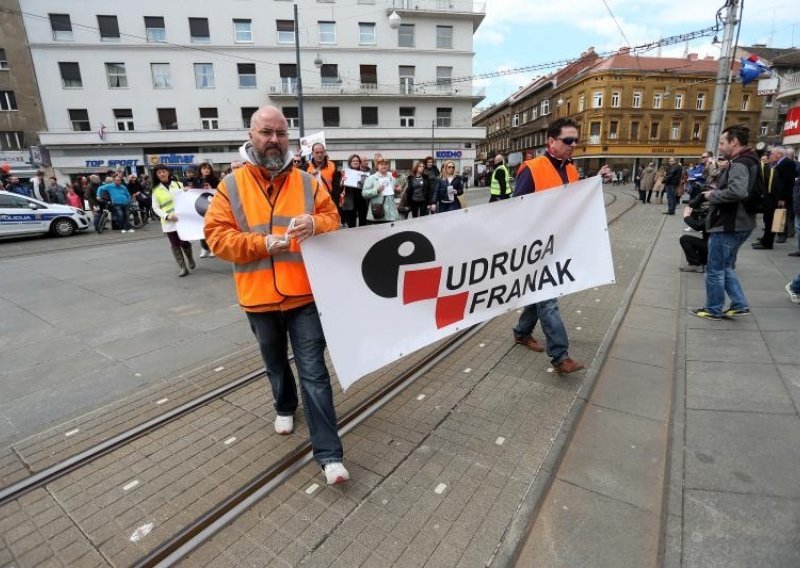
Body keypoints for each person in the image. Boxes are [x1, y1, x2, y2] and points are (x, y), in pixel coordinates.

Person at [204, 105, 348, 486]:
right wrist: (262, 244)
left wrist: (316, 223)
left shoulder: (307, 181)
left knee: (314, 373)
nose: (274, 140)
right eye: (266, 133)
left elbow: (334, 219)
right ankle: (284, 405)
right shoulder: (231, 185)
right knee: (274, 362)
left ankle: (330, 456)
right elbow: (216, 237)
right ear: (251, 135)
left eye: (281, 133)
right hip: (258, 298)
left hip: (302, 296)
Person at [511, 117, 587, 375]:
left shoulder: (572, 170)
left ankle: (521, 332)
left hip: (560, 243)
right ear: (551, 141)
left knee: (538, 297)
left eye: (576, 140)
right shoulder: (532, 168)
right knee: (548, 300)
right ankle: (560, 355)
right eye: (568, 140)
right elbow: (516, 209)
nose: (573, 144)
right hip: (535, 247)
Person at [689, 125, 757, 320]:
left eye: (722, 143)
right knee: (725, 266)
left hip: (729, 222)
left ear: (734, 142)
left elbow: (737, 191)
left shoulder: (739, 163)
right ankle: (739, 304)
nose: (719, 147)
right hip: (741, 222)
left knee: (715, 269)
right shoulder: (750, 159)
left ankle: (713, 309)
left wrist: (712, 194)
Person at [151, 164, 196, 276]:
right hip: (168, 221)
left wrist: (186, 191)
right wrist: (167, 216)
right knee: (175, 244)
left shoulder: (178, 184)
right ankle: (183, 267)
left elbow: (185, 199)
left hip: (181, 219)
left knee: (183, 241)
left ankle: (190, 259)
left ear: (168, 172)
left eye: (164, 171)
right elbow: (155, 208)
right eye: (159, 172)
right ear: (156, 175)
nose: (162, 174)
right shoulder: (156, 190)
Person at [753, 146, 795, 249]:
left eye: (772, 154)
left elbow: (788, 183)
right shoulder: (779, 163)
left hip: (779, 198)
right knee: (768, 219)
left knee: (772, 220)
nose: (770, 156)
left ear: (779, 154)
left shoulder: (787, 163)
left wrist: (782, 199)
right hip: (773, 197)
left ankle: (767, 243)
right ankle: (764, 240)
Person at [363, 158, 402, 224]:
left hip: (392, 215)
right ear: (377, 166)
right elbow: (364, 194)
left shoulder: (392, 179)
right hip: (379, 214)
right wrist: (376, 190)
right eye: (381, 164)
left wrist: (398, 191)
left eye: (386, 164)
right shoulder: (371, 178)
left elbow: (395, 194)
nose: (384, 166)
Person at [304, 143, 342, 209]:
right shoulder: (305, 167)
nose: (319, 155)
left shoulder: (332, 166)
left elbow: (336, 189)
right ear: (312, 154)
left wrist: (335, 204)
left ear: (325, 153)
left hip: (328, 203)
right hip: (312, 204)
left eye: (321, 152)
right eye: (317, 152)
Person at [340, 154, 367, 228]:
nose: (356, 162)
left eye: (357, 161)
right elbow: (339, 189)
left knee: (363, 224)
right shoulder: (344, 172)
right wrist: (342, 182)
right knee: (351, 224)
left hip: (362, 201)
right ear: (350, 162)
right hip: (349, 201)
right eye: (354, 161)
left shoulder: (364, 173)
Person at [198, 162, 219, 258]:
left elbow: (219, 190)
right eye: (204, 168)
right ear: (200, 170)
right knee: (200, 228)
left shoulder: (215, 180)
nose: (206, 170)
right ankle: (204, 247)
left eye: (208, 168)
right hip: (201, 207)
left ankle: (213, 247)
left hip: (213, 206)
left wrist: (211, 188)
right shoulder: (197, 180)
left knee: (212, 227)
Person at [679, 203, 708, 272]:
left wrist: (686, 216)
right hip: (717, 244)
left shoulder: (715, 212)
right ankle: (702, 261)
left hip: (714, 245)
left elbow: (697, 226)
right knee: (700, 242)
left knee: (684, 239)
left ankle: (696, 264)